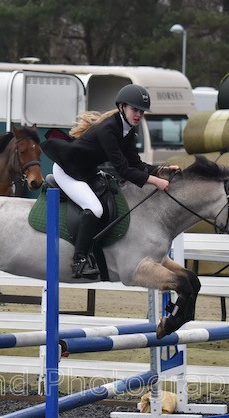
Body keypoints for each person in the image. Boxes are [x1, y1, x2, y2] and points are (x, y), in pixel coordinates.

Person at [42, 84, 178, 279]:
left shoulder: (128, 130)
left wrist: (161, 170)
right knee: (94, 208)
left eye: (141, 111)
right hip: (67, 171)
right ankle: (79, 261)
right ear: (122, 107)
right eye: (135, 109)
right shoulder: (109, 129)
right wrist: (155, 181)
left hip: (86, 172)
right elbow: (123, 169)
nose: (138, 114)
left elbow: (135, 163)